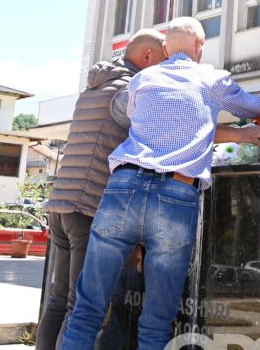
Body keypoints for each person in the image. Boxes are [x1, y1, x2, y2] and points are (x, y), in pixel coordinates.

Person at [60, 16, 260, 350]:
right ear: (200, 47)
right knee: (157, 322)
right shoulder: (212, 78)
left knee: (87, 311)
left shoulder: (143, 78)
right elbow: (258, 108)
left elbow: (150, 121)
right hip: (176, 194)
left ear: (164, 48)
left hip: (123, 188)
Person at [35, 28, 167, 350]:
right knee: (79, 307)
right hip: (88, 207)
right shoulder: (128, 90)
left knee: (57, 300)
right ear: (147, 55)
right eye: (163, 60)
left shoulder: (95, 87)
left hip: (62, 204)